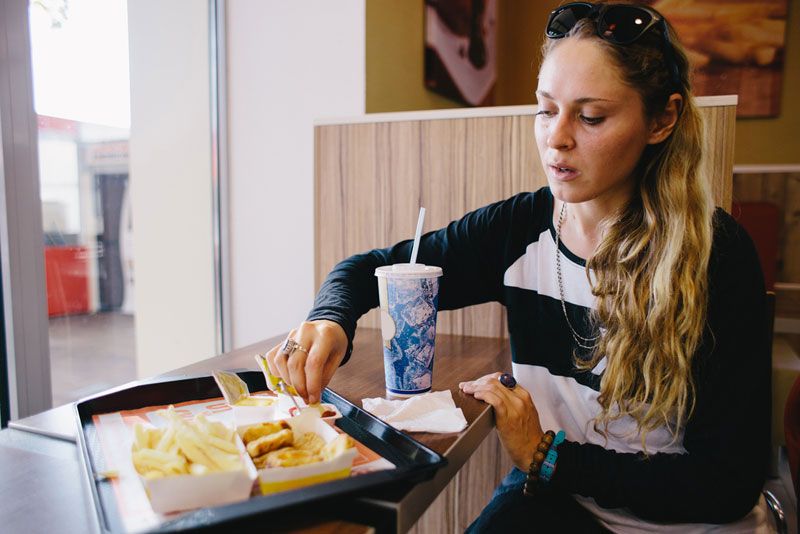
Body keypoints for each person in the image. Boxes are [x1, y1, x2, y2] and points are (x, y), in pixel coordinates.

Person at [265, 2, 770, 531]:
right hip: (564, 495)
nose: (557, 138)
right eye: (546, 109)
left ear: (661, 119)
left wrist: (546, 456)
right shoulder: (520, 229)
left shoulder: (715, 255)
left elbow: (725, 485)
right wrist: (330, 318)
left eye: (590, 116)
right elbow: (370, 268)